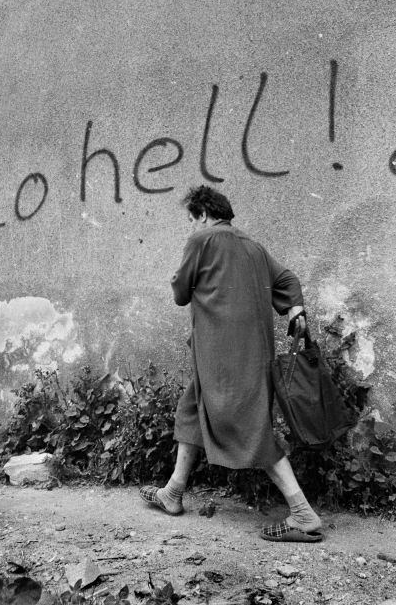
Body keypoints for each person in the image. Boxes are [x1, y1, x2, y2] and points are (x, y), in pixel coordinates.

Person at [139, 185, 323, 542]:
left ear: (204, 215)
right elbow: (287, 279)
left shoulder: (202, 241)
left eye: (192, 221)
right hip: (243, 354)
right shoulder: (253, 247)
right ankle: (173, 492)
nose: (191, 228)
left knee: (250, 426)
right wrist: (295, 306)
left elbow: (180, 294)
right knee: (192, 410)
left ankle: (303, 513)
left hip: (226, 357)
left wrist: (184, 277)